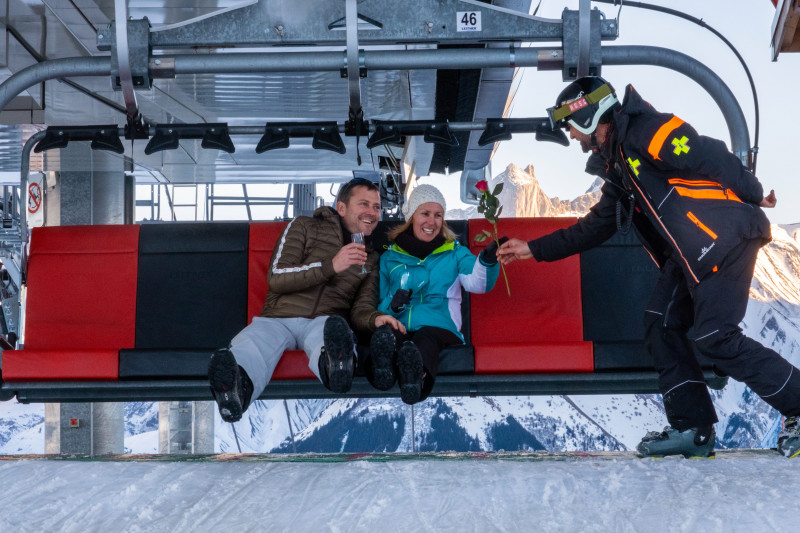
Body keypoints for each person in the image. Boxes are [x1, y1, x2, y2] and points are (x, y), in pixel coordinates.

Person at [498, 76, 800, 458]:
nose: (572, 136)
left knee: (715, 337)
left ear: (588, 115)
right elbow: (592, 228)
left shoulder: (648, 131)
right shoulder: (620, 164)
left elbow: (711, 154)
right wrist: (533, 249)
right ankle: (692, 428)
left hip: (724, 240)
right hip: (693, 254)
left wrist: (754, 193)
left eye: (571, 126)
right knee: (660, 323)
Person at [208, 177, 405, 422]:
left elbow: (360, 309)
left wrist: (375, 319)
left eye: (376, 207)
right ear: (341, 208)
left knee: (330, 333)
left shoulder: (371, 258)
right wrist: (331, 265)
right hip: (279, 317)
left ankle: (336, 367)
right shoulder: (303, 226)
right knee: (254, 343)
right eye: (364, 204)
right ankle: (234, 390)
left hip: (325, 319)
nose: (372, 213)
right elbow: (278, 277)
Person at [366, 184, 503, 404]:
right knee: (389, 336)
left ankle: (417, 380)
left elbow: (477, 282)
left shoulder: (455, 252)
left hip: (439, 327)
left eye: (438, 215)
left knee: (424, 340)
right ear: (411, 217)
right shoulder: (389, 258)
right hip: (398, 323)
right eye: (425, 214)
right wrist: (392, 306)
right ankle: (382, 370)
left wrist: (486, 261)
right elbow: (378, 306)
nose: (432, 222)